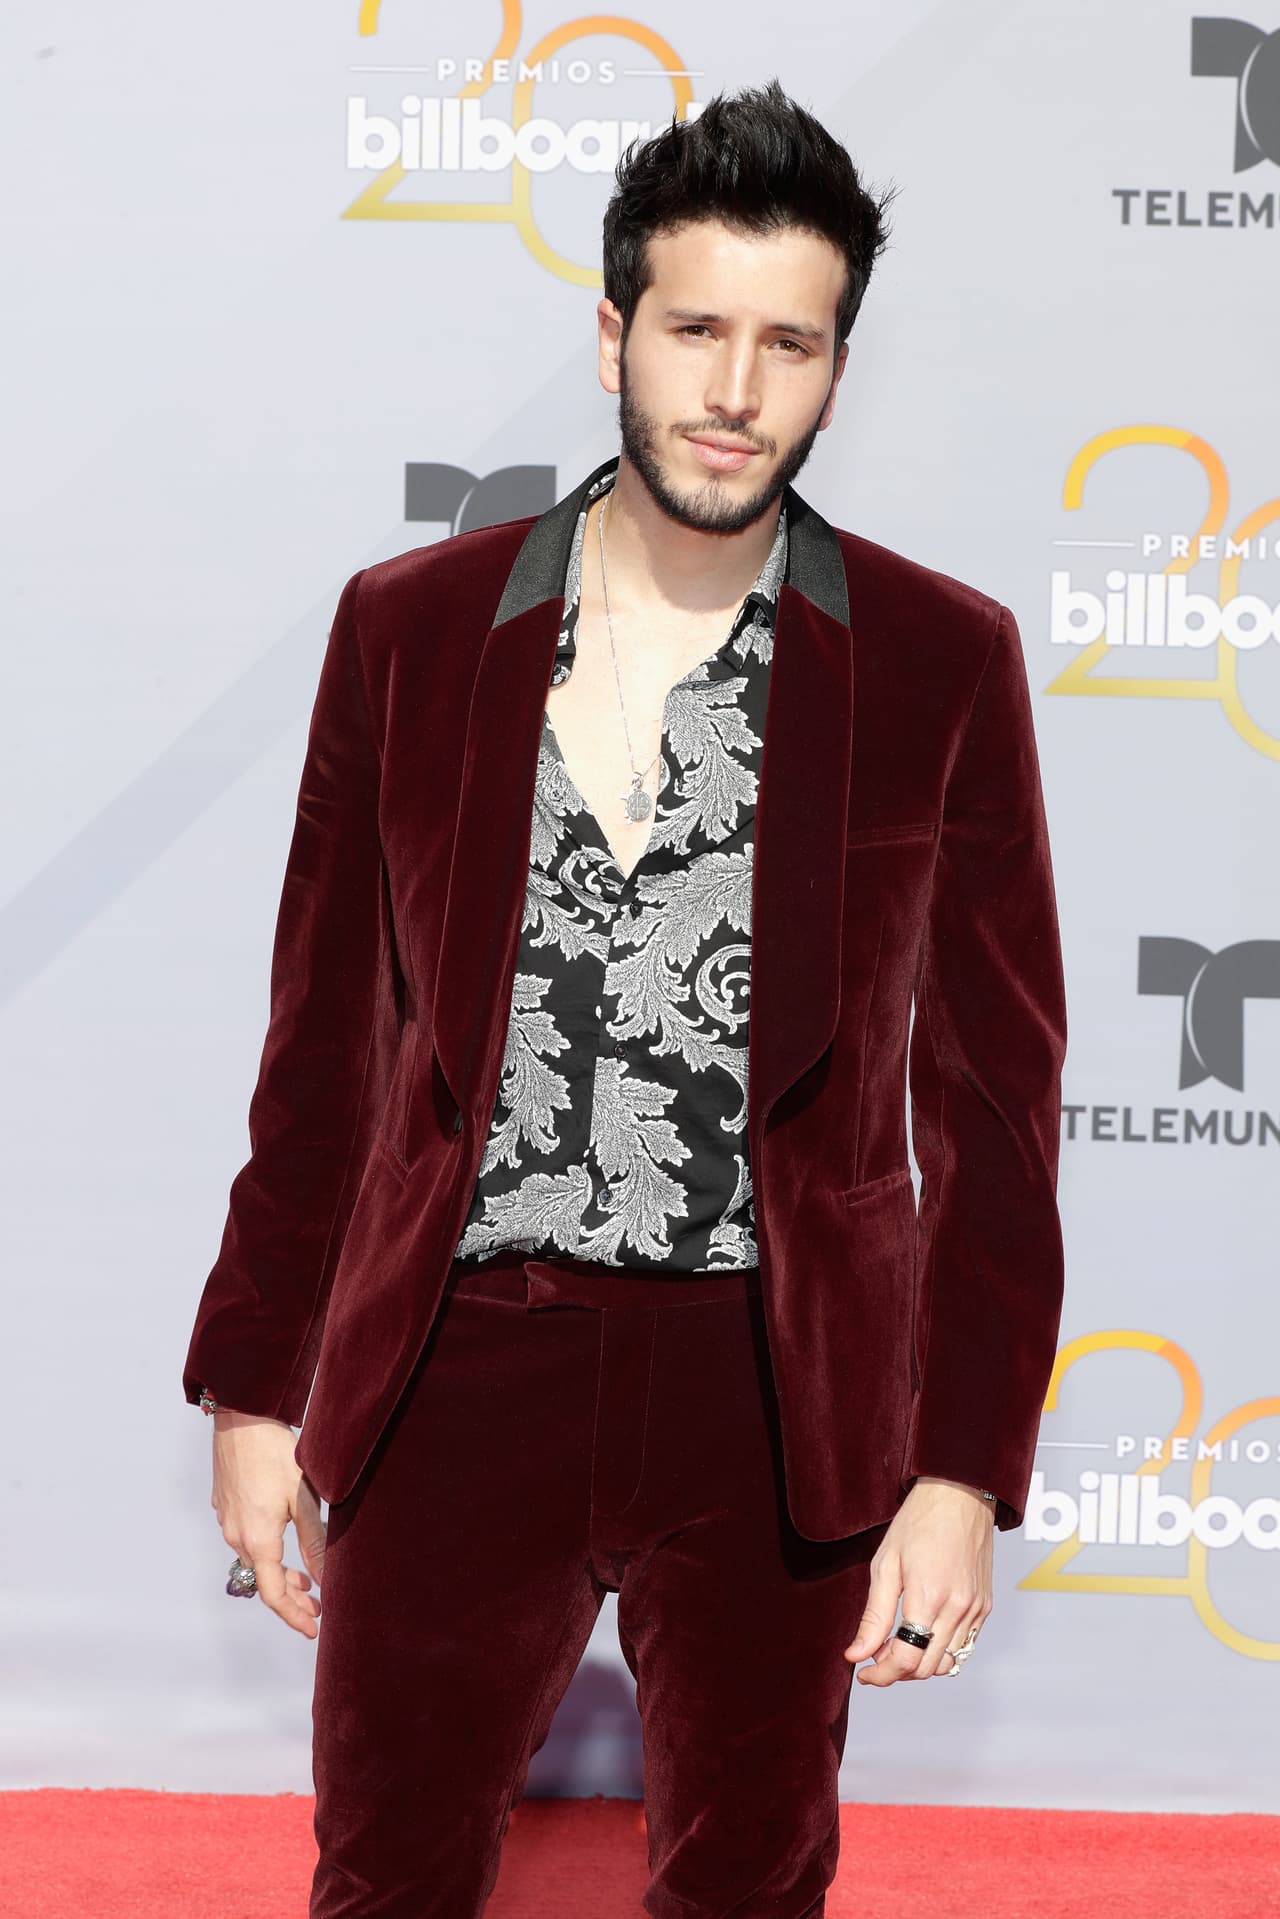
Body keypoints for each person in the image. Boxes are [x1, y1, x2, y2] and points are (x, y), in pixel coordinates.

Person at [183, 78, 1068, 1919]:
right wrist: (257, 1388)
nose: (736, 389)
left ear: (835, 368)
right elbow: (324, 1053)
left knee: (750, 1887)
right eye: (694, 330)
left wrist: (962, 1468)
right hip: (457, 1365)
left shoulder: (936, 661)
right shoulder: (409, 632)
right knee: (388, 1877)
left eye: (789, 343)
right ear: (612, 335)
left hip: (773, 1388)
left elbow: (990, 1112)